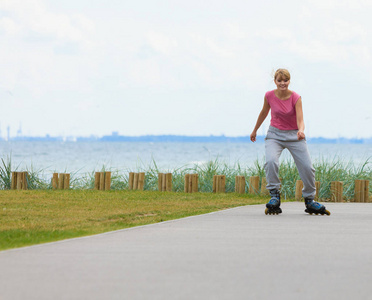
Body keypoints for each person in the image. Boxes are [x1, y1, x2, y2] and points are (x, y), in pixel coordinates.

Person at [250, 69, 330, 215]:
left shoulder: (296, 97)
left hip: (295, 135)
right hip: (275, 134)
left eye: (285, 80)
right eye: (279, 80)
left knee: (307, 167)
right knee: (271, 162)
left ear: (289, 81)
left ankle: (310, 200)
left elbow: (300, 118)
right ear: (275, 81)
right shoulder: (269, 96)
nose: (282, 83)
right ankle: (274, 195)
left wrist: (301, 130)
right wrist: (255, 130)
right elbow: (263, 112)